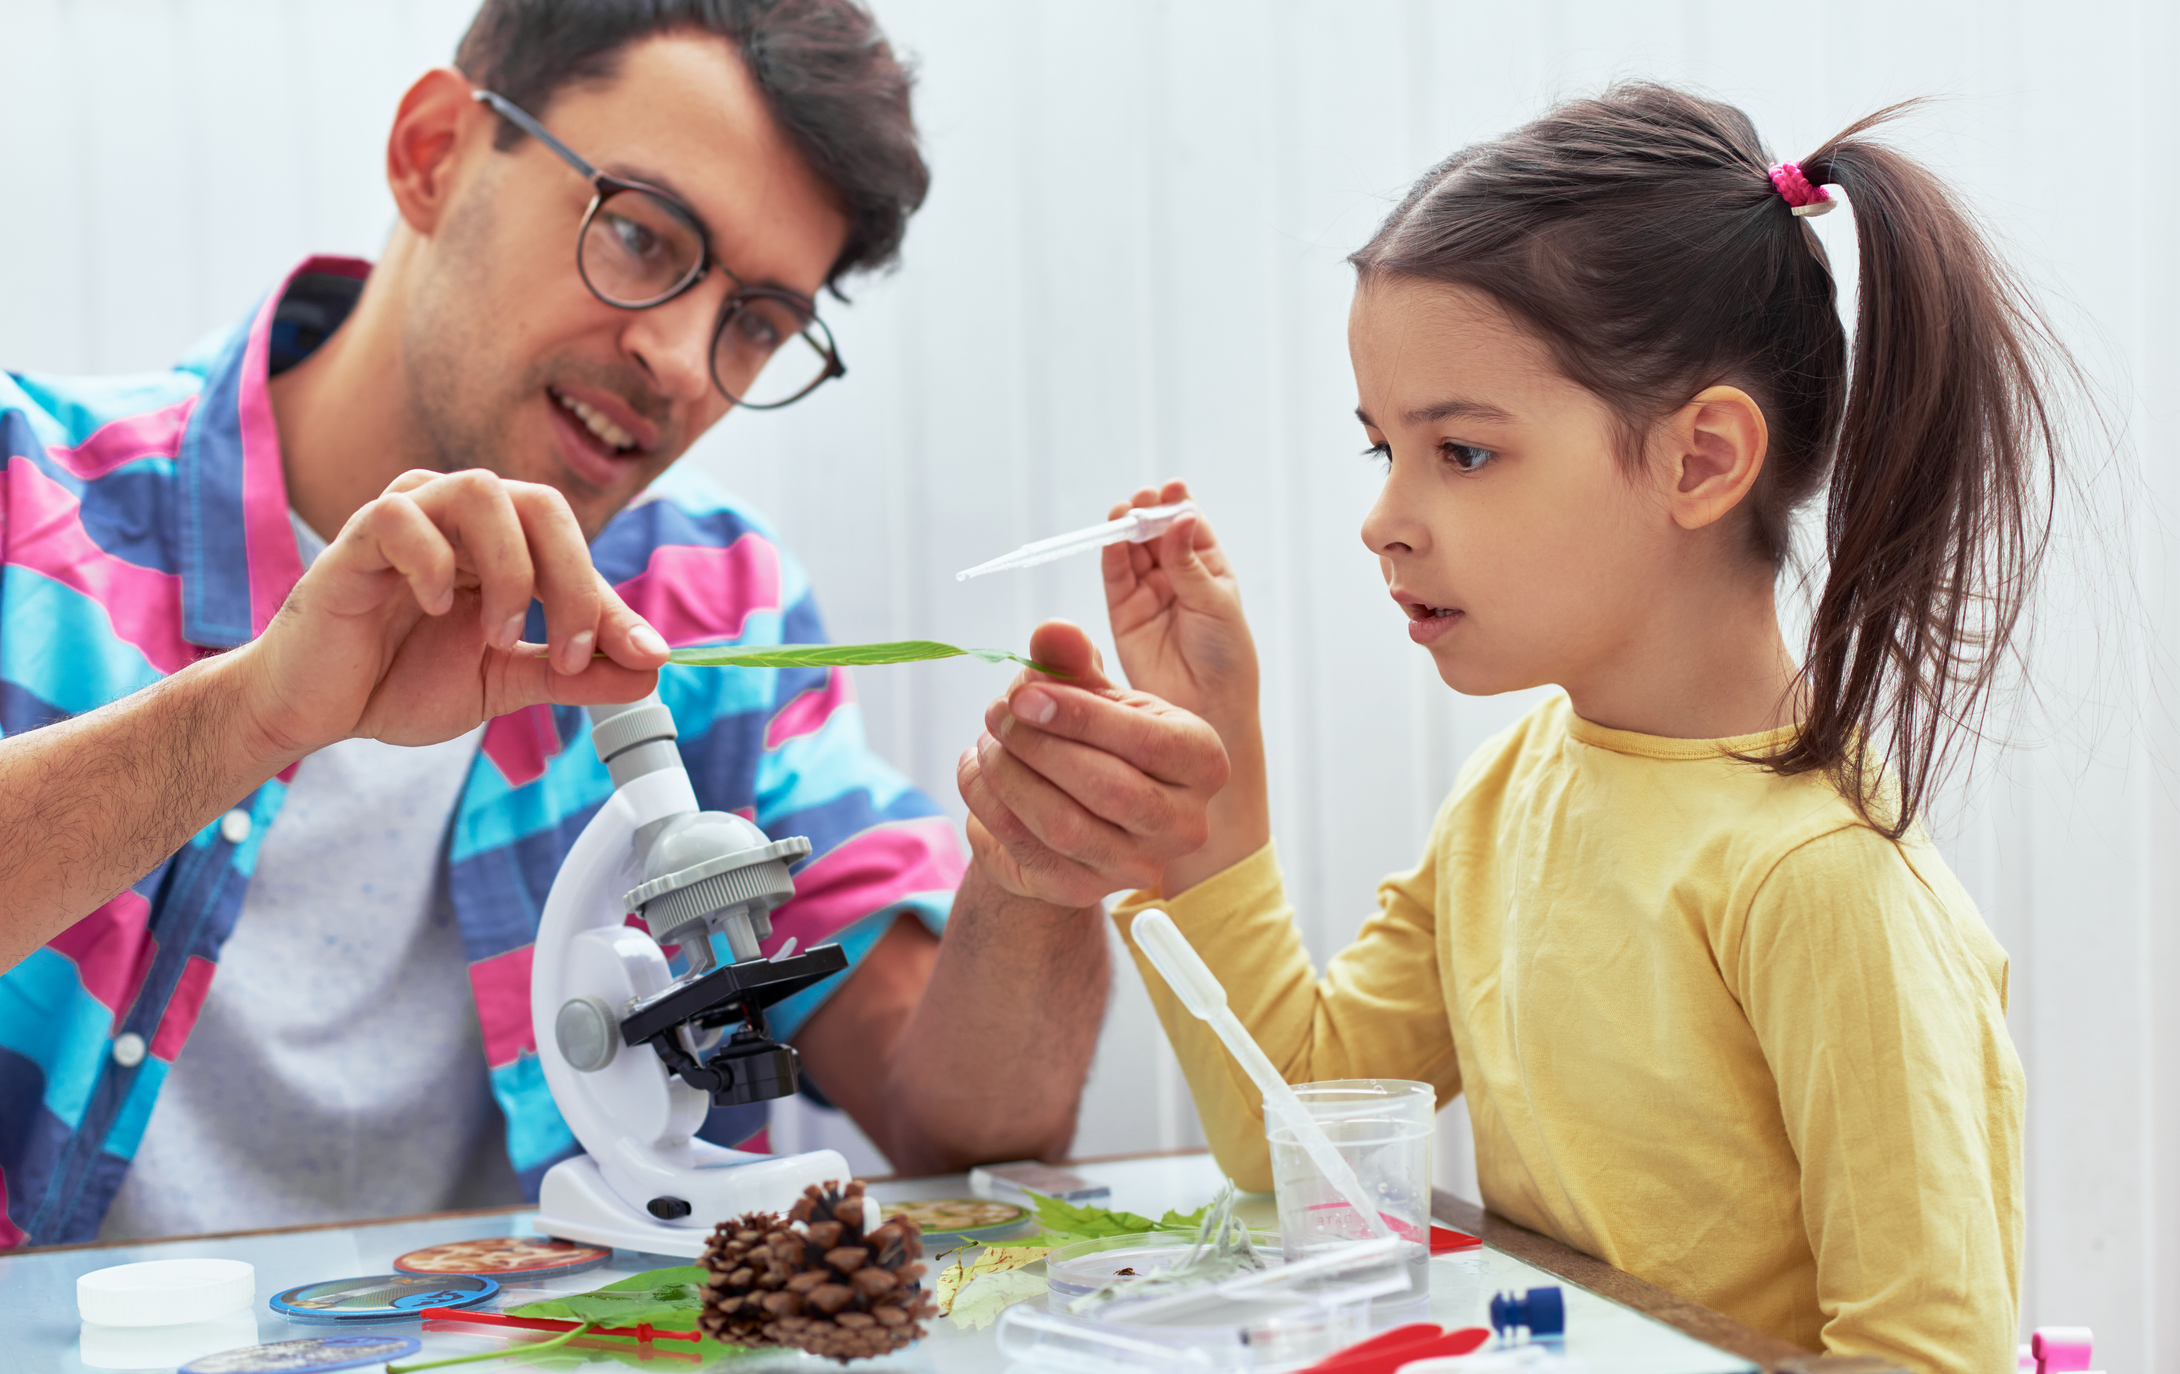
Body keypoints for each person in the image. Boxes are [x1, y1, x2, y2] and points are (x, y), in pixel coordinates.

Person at [0, 0, 1228, 1249]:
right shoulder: (25, 503)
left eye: (754, 322)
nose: (685, 364)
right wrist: (250, 714)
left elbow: (954, 1123)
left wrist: (1039, 872)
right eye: (641, 236)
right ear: (431, 153)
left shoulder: (711, 603)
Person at [966, 86, 2066, 1372]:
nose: (1383, 517)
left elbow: (1927, 1355)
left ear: (1698, 461)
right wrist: (1215, 773)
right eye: (1378, 447)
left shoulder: (1820, 881)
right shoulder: (1516, 791)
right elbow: (1296, 1140)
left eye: (1462, 452)